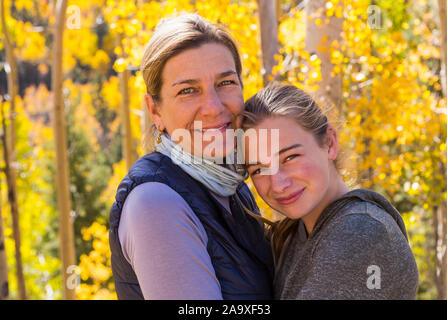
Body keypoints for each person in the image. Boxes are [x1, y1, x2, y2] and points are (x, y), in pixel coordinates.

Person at [108, 13, 273, 300]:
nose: (213, 106)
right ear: (155, 110)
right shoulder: (155, 205)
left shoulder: (233, 187)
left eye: (225, 83)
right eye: (188, 91)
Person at [241, 83, 419, 299]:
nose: (278, 184)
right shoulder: (292, 236)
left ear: (330, 143)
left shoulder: (361, 232)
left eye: (290, 157)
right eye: (259, 169)